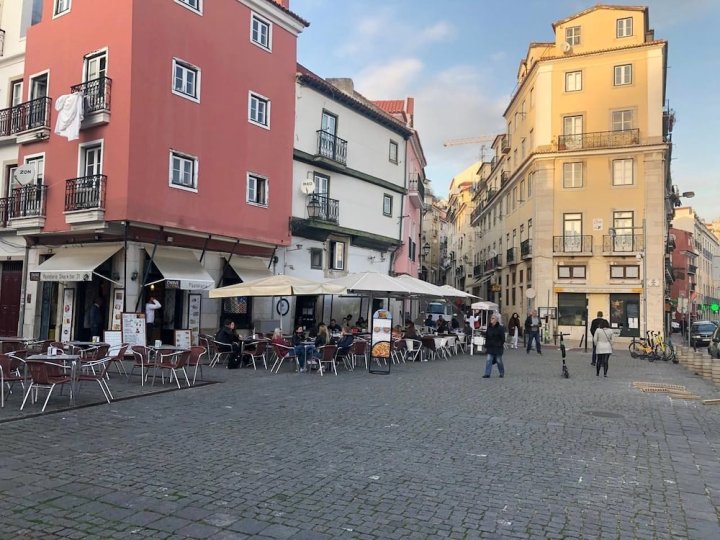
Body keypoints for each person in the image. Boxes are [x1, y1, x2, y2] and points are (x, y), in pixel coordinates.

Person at [483, 314, 506, 378]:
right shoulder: (489, 327)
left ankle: (501, 373)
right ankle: (487, 373)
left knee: (499, 361)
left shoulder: (500, 328)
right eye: (491, 318)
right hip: (490, 347)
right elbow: (487, 337)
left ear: (496, 320)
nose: (491, 319)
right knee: (488, 360)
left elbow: (503, 338)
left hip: (498, 347)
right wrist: (486, 345)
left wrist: (500, 344)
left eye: (493, 318)